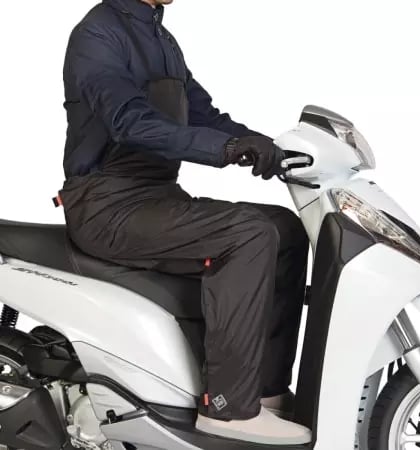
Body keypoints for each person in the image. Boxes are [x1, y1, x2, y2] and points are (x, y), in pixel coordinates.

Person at [61, 0, 311, 445]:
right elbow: (130, 122)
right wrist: (224, 149)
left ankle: (264, 392)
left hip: (157, 197)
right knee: (247, 234)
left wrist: (262, 144)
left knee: (285, 229)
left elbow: (202, 115)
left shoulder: (161, 38)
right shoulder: (97, 34)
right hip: (107, 205)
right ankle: (228, 410)